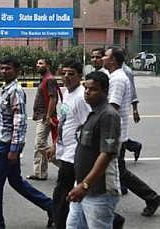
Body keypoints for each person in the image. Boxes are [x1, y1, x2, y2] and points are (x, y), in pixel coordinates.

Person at [0, 56, 53, 229]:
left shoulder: (16, 91)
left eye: (8, 69)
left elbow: (20, 123)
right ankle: (51, 207)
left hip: (7, 146)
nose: (4, 71)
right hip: (5, 142)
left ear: (17, 71)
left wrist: (14, 149)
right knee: (16, 182)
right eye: (2, 68)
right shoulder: (6, 88)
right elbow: (4, 119)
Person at [103, 47, 160, 218]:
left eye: (106, 56)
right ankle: (151, 197)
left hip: (114, 134)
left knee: (116, 171)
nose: (103, 58)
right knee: (118, 172)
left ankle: (151, 198)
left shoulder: (118, 79)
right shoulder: (114, 76)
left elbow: (113, 107)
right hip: (115, 132)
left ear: (112, 60)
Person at [66, 71, 121, 229]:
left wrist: (84, 186)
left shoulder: (109, 115)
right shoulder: (93, 113)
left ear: (105, 91)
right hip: (82, 188)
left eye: (93, 89)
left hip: (98, 192)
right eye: (86, 89)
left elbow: (107, 154)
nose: (88, 92)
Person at [47, 59, 91, 229]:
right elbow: (63, 123)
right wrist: (55, 145)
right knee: (68, 195)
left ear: (80, 76)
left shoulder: (81, 97)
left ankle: (60, 224)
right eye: (64, 73)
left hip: (74, 155)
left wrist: (82, 156)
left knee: (62, 195)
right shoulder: (66, 93)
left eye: (71, 73)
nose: (66, 76)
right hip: (65, 152)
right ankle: (114, 220)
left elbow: (87, 127)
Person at [27, 58, 59, 181]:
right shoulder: (45, 78)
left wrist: (48, 116)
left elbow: (53, 98)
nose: (38, 65)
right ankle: (40, 173)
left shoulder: (49, 79)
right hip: (43, 116)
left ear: (48, 65)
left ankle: (67, 166)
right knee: (39, 144)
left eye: (41, 63)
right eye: (37, 63)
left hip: (46, 116)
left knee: (40, 144)